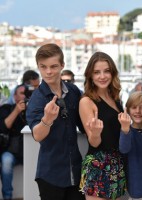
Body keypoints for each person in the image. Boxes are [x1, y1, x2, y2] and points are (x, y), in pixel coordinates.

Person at [26, 43, 84, 200]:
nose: (48, 72)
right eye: (43, 67)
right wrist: (47, 120)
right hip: (50, 175)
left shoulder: (73, 92)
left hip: (77, 171)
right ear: (38, 66)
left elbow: (84, 123)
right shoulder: (36, 100)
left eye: (53, 66)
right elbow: (37, 135)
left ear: (62, 65)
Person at [79, 51, 126, 200]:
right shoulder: (86, 102)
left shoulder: (115, 98)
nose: (102, 76)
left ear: (112, 73)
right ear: (90, 76)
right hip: (97, 165)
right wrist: (95, 132)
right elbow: (94, 143)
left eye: (106, 71)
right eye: (96, 72)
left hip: (117, 164)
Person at [0, 84, 27, 200]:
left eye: (27, 94)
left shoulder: (35, 108)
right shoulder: (6, 108)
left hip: (30, 151)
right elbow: (3, 127)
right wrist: (17, 110)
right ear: (15, 96)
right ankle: (7, 197)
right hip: (12, 150)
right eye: (22, 93)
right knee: (6, 160)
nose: (25, 96)